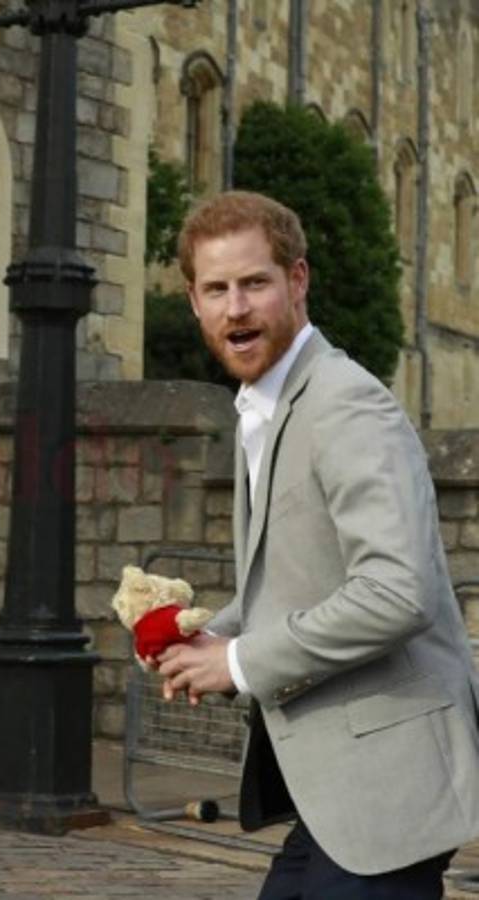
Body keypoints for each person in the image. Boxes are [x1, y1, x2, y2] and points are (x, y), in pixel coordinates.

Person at [156, 190, 479, 898]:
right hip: (332, 800)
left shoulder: (346, 406)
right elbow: (299, 574)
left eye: (253, 283)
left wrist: (236, 662)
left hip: (387, 791)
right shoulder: (266, 408)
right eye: (216, 289)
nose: (235, 307)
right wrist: (207, 633)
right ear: (193, 302)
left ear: (295, 281)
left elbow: (397, 594)